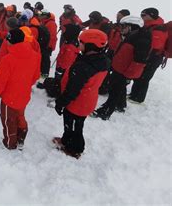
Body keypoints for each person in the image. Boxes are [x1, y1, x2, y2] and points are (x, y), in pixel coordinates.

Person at [53, 29, 110, 159]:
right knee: (72, 124)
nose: (78, 45)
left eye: (81, 42)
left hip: (77, 103)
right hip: (87, 99)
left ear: (91, 45)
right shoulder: (101, 60)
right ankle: (66, 140)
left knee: (75, 127)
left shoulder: (84, 67)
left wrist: (60, 102)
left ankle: (75, 149)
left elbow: (73, 90)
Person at [0, 28, 41, 150]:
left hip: (9, 98)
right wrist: (24, 83)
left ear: (11, 42)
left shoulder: (7, 59)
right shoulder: (35, 55)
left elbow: (0, 82)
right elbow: (36, 76)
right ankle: (21, 137)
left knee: (8, 120)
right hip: (24, 95)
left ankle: (10, 143)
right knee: (20, 116)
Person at [92, 15, 151, 120]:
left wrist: (129, 75)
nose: (121, 29)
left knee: (115, 90)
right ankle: (120, 105)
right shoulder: (131, 36)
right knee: (119, 88)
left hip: (124, 71)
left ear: (133, 26)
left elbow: (139, 60)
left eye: (124, 26)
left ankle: (105, 112)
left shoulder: (141, 39)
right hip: (119, 67)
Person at [128, 8, 168, 103]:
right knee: (139, 75)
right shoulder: (148, 26)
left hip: (153, 57)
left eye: (144, 15)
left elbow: (155, 46)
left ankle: (138, 98)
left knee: (144, 77)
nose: (141, 16)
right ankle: (133, 94)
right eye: (141, 14)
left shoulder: (158, 28)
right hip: (147, 56)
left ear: (151, 15)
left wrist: (144, 55)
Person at [39, 11, 58, 75]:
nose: (40, 16)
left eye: (41, 15)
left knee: (45, 59)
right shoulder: (44, 22)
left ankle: (45, 73)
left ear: (45, 16)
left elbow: (52, 36)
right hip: (44, 44)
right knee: (43, 58)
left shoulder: (51, 23)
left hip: (48, 45)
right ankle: (42, 71)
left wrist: (48, 46)